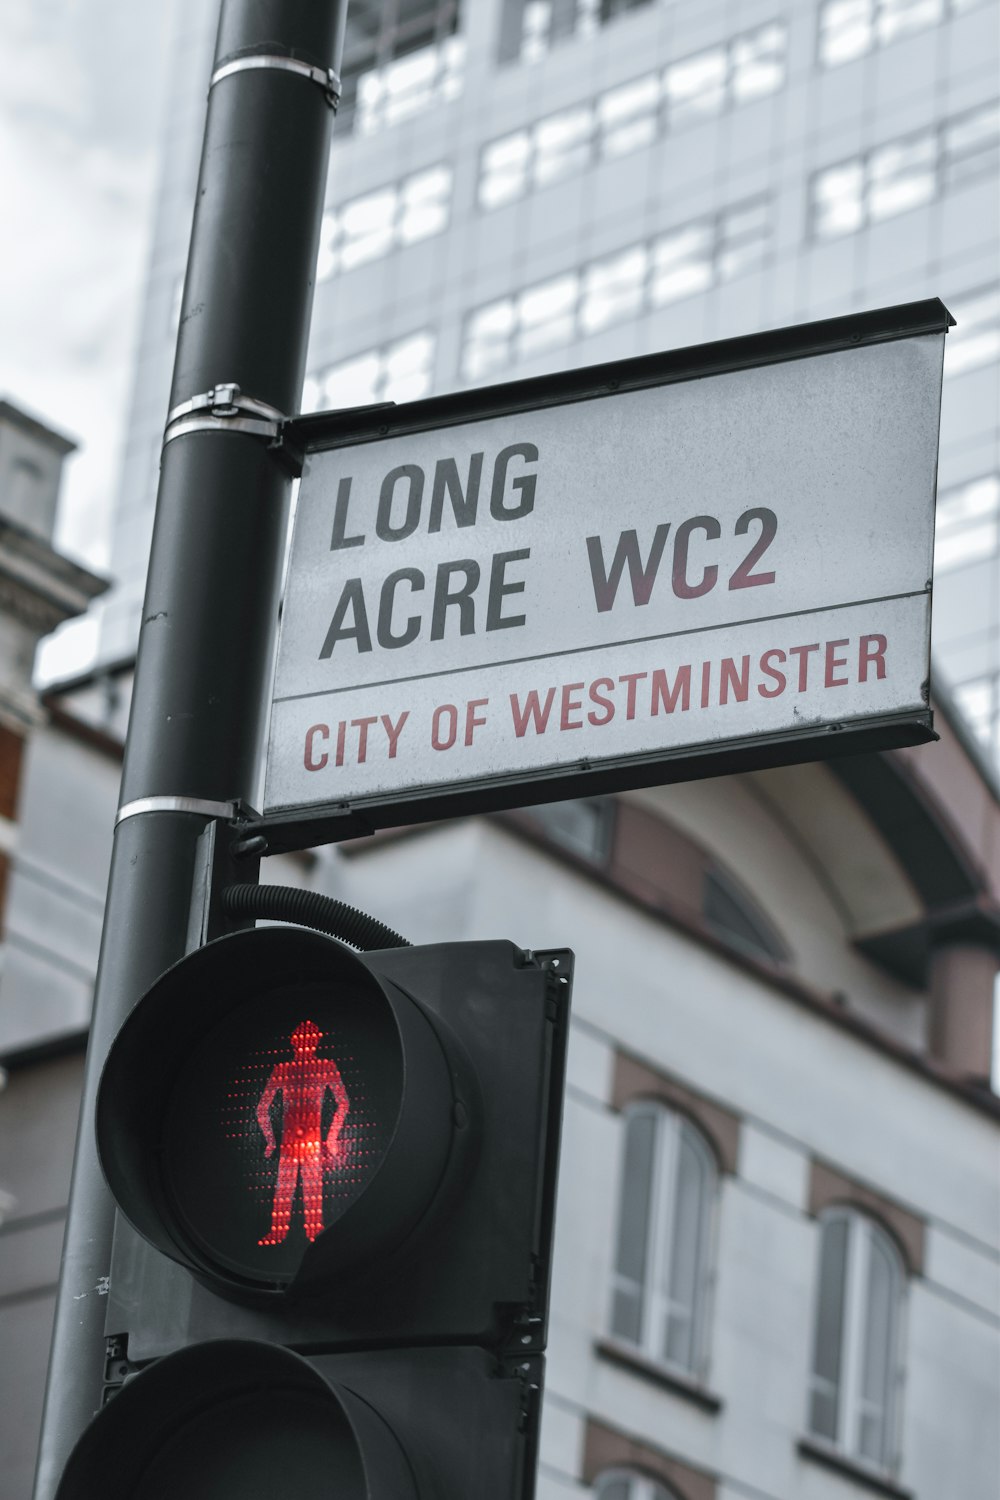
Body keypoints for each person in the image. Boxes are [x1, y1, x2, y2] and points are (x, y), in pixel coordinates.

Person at [255, 1018, 350, 1246]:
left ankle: (311, 1235)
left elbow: (343, 1102)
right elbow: (262, 1107)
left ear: (317, 1041)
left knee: (309, 1189)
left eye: (311, 1039)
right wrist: (270, 1140)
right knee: (291, 1190)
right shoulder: (284, 1069)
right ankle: (283, 1233)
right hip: (295, 1142)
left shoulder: (325, 1067)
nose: (307, 1044)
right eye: (303, 1039)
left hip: (310, 1142)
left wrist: (332, 1138)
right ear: (294, 1041)